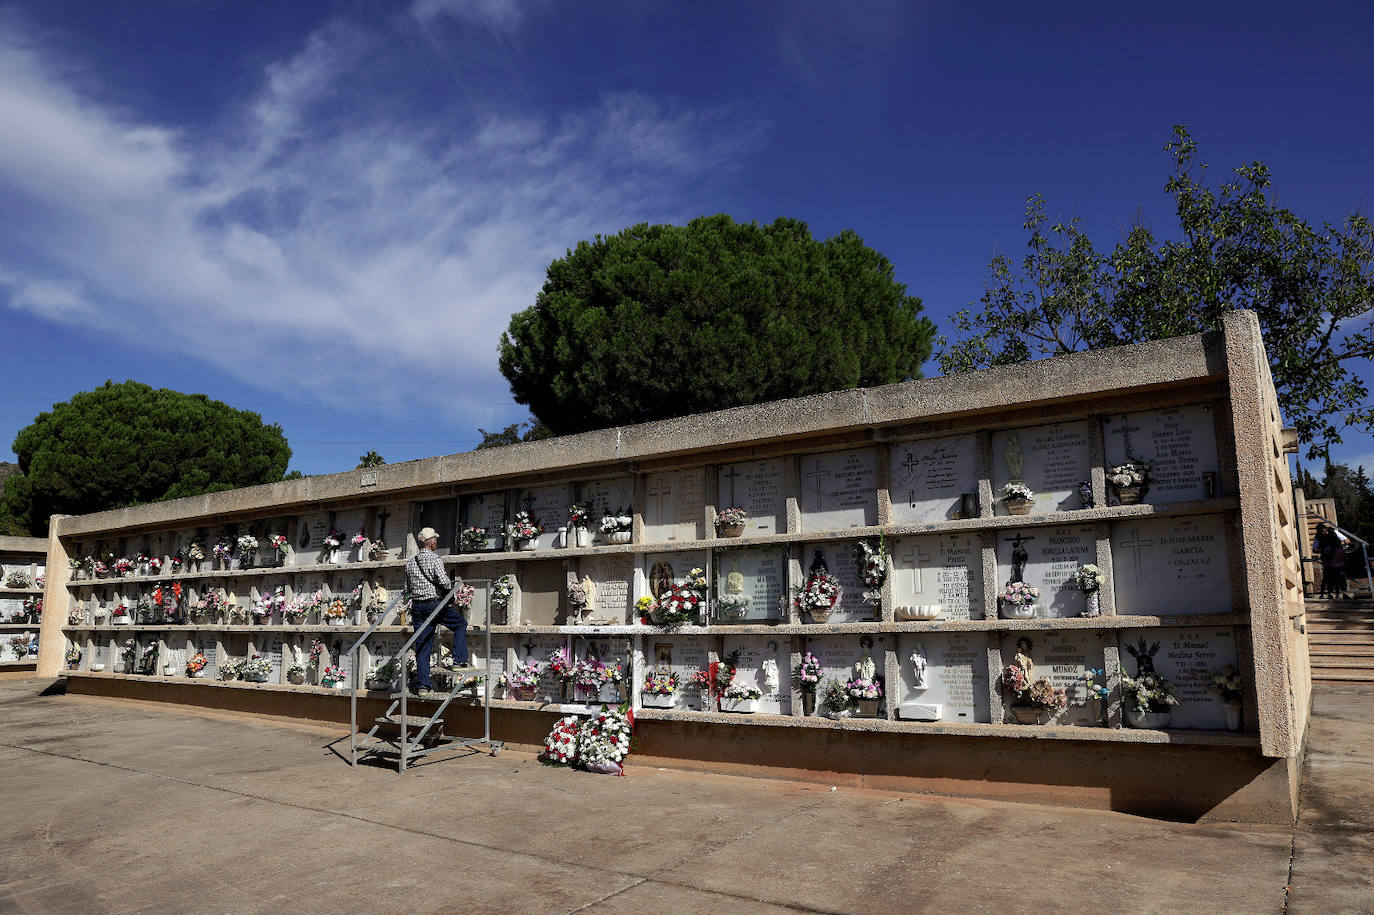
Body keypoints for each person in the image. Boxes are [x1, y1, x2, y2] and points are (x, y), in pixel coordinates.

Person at [405, 526, 471, 695]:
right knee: (460, 624)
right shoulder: (435, 559)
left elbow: (407, 588)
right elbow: (444, 582)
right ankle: (459, 661)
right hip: (433, 605)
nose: (436, 542)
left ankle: (423, 686)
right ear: (432, 542)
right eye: (435, 539)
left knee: (423, 644)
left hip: (417, 606)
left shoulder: (411, 562)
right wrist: (451, 586)